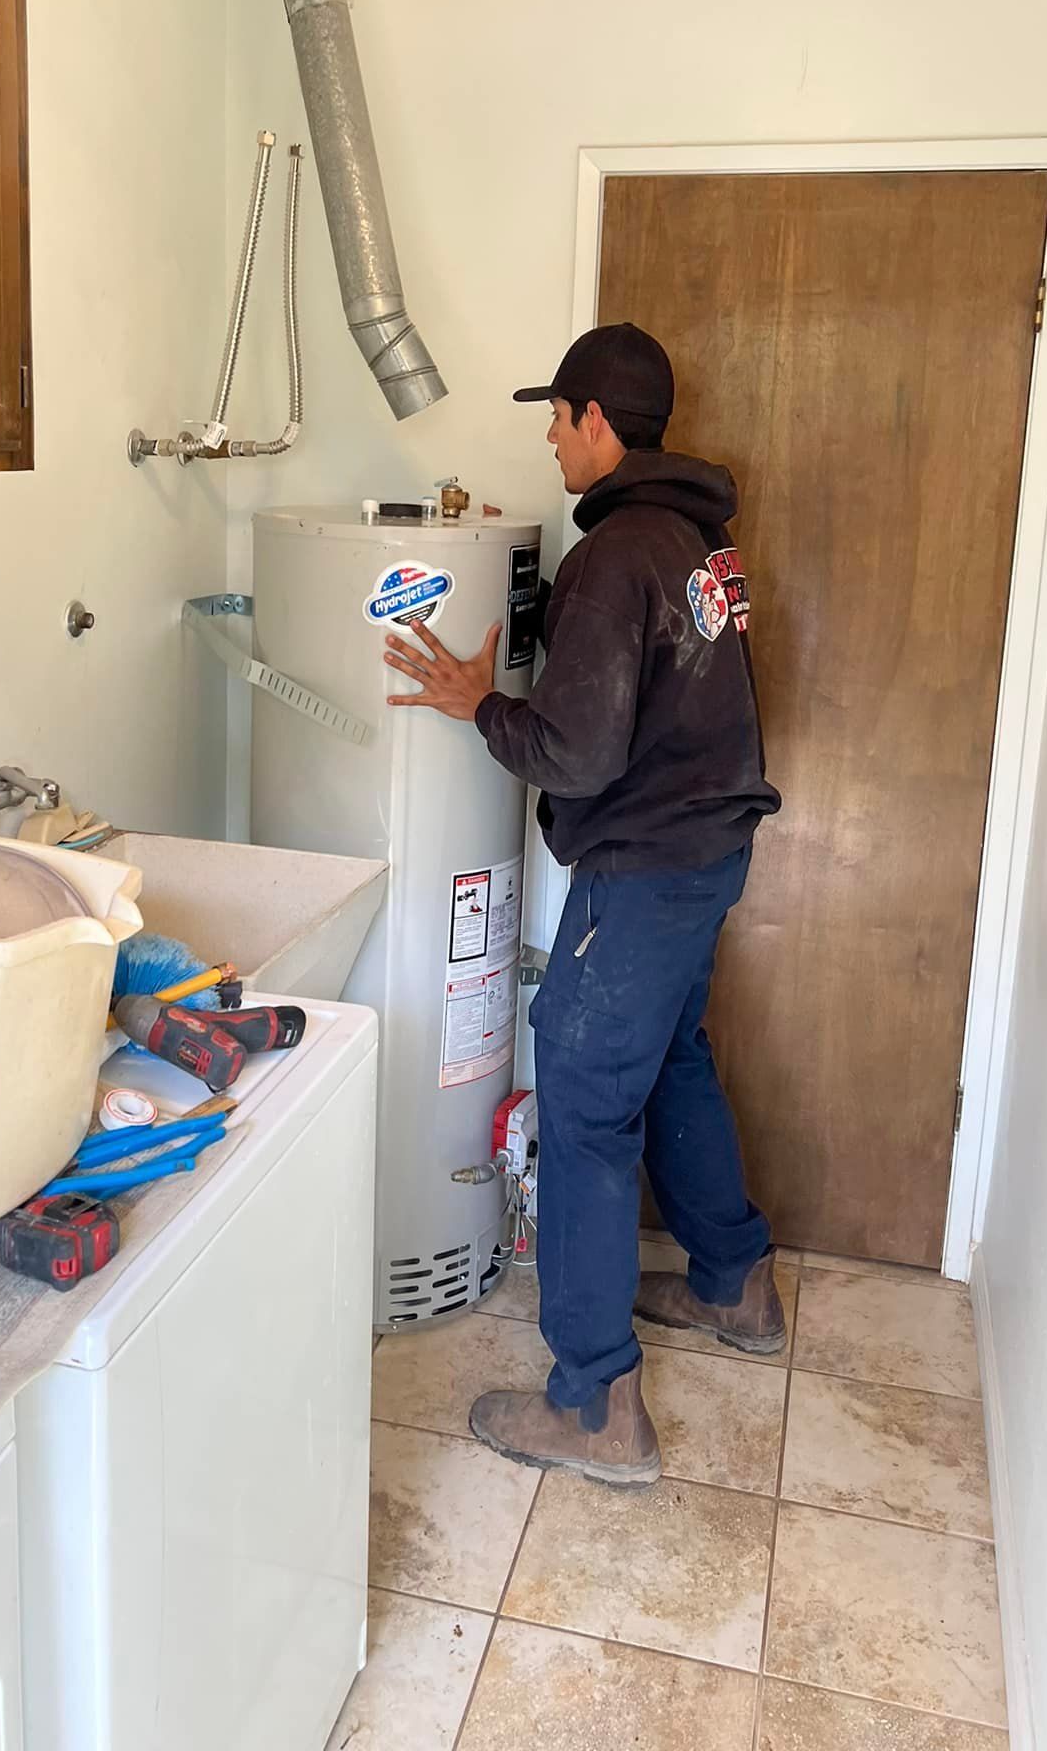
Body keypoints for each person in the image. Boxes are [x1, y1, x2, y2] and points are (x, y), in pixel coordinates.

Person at [381, 321, 782, 1486]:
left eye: (556, 419)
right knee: (673, 1059)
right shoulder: (696, 539)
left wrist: (476, 705)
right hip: (708, 853)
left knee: (589, 1092)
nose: (551, 442)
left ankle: (596, 1398)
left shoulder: (620, 554)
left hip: (646, 869)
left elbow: (579, 751)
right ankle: (733, 1277)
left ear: (598, 421)